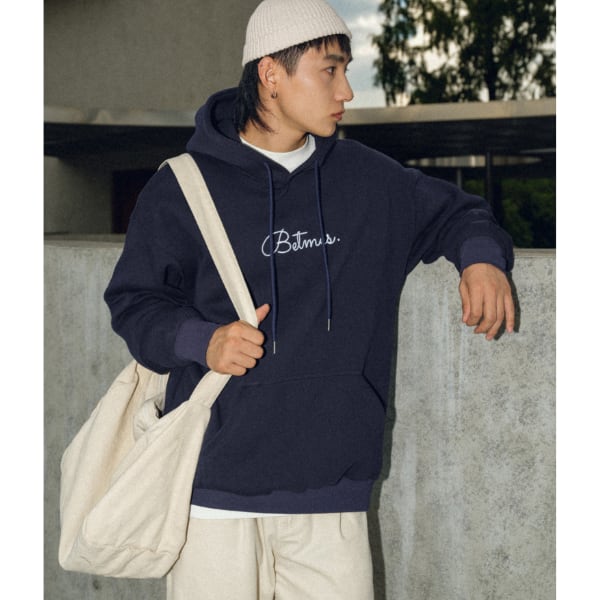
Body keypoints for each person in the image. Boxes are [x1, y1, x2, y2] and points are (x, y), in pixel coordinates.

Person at [104, 0, 515, 597]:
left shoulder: (369, 181)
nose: (346, 90)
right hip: (213, 491)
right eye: (329, 70)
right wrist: (203, 340)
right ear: (270, 74)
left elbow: (460, 211)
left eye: (346, 69)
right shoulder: (181, 186)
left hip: (333, 492)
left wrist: (480, 258)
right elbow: (134, 301)